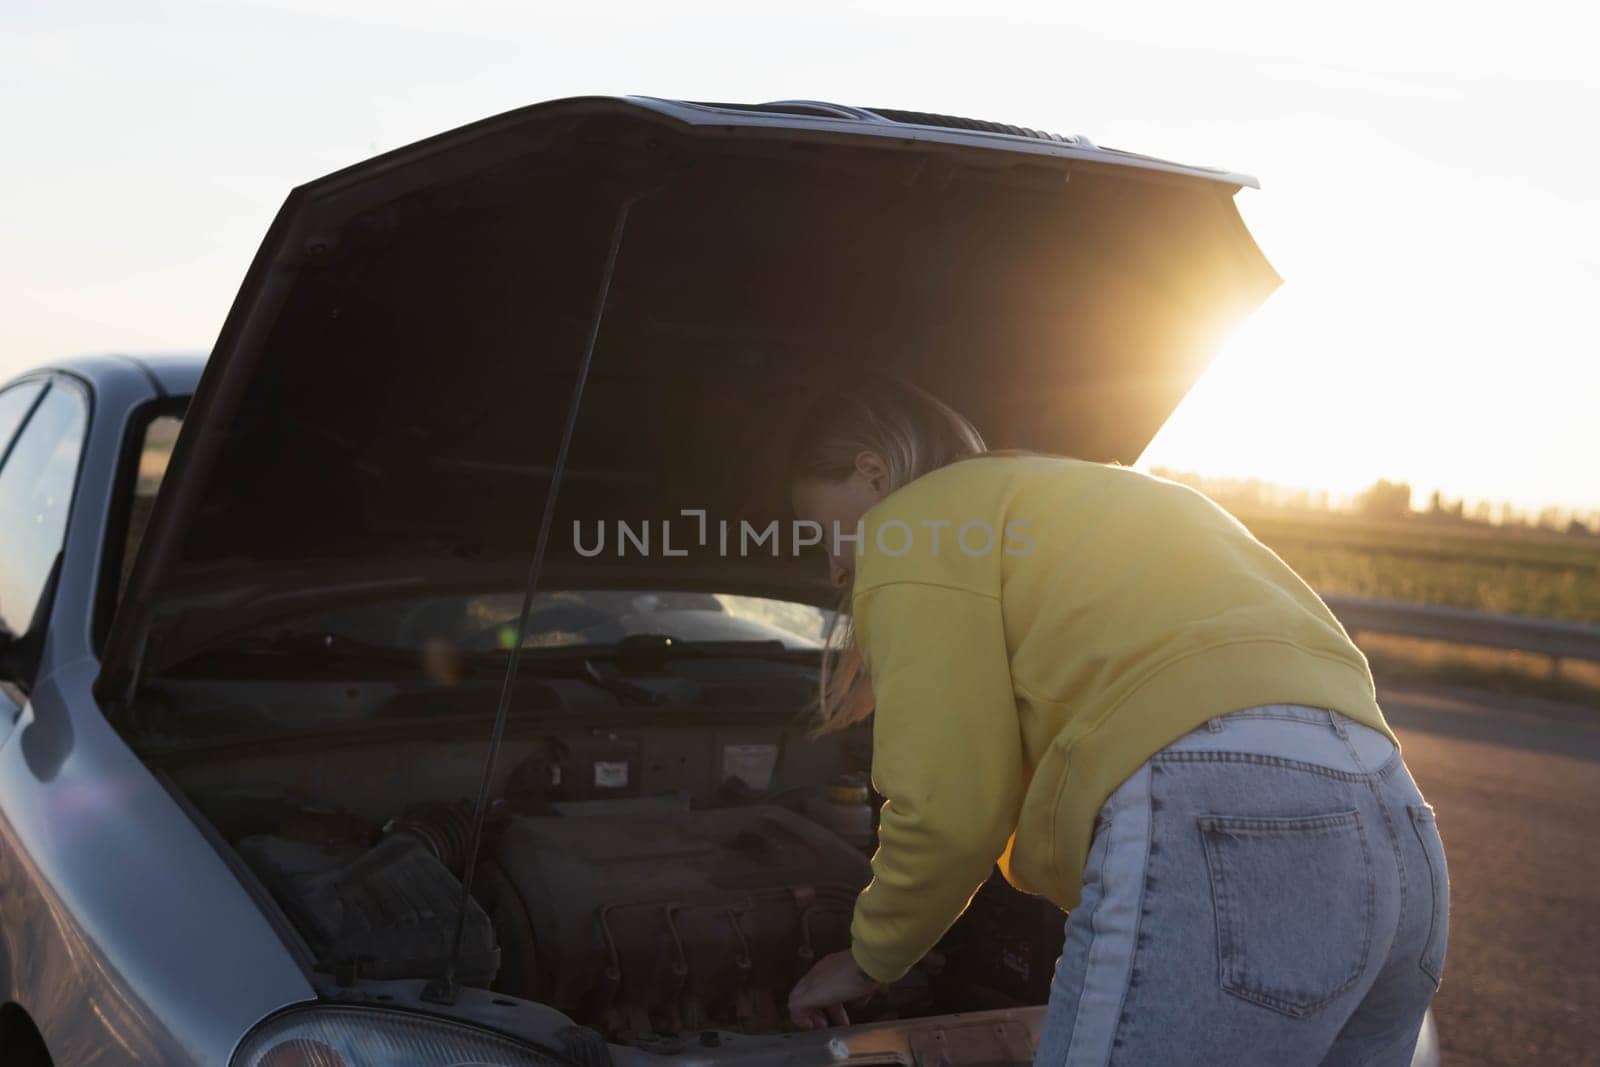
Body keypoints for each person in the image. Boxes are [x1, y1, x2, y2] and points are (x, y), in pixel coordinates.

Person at [781, 375, 1448, 1066]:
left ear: (872, 470)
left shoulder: (914, 520)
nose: (834, 567)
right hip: (1398, 821)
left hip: (1226, 816)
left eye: (821, 528)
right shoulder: (1106, 495)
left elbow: (950, 804)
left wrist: (868, 958)